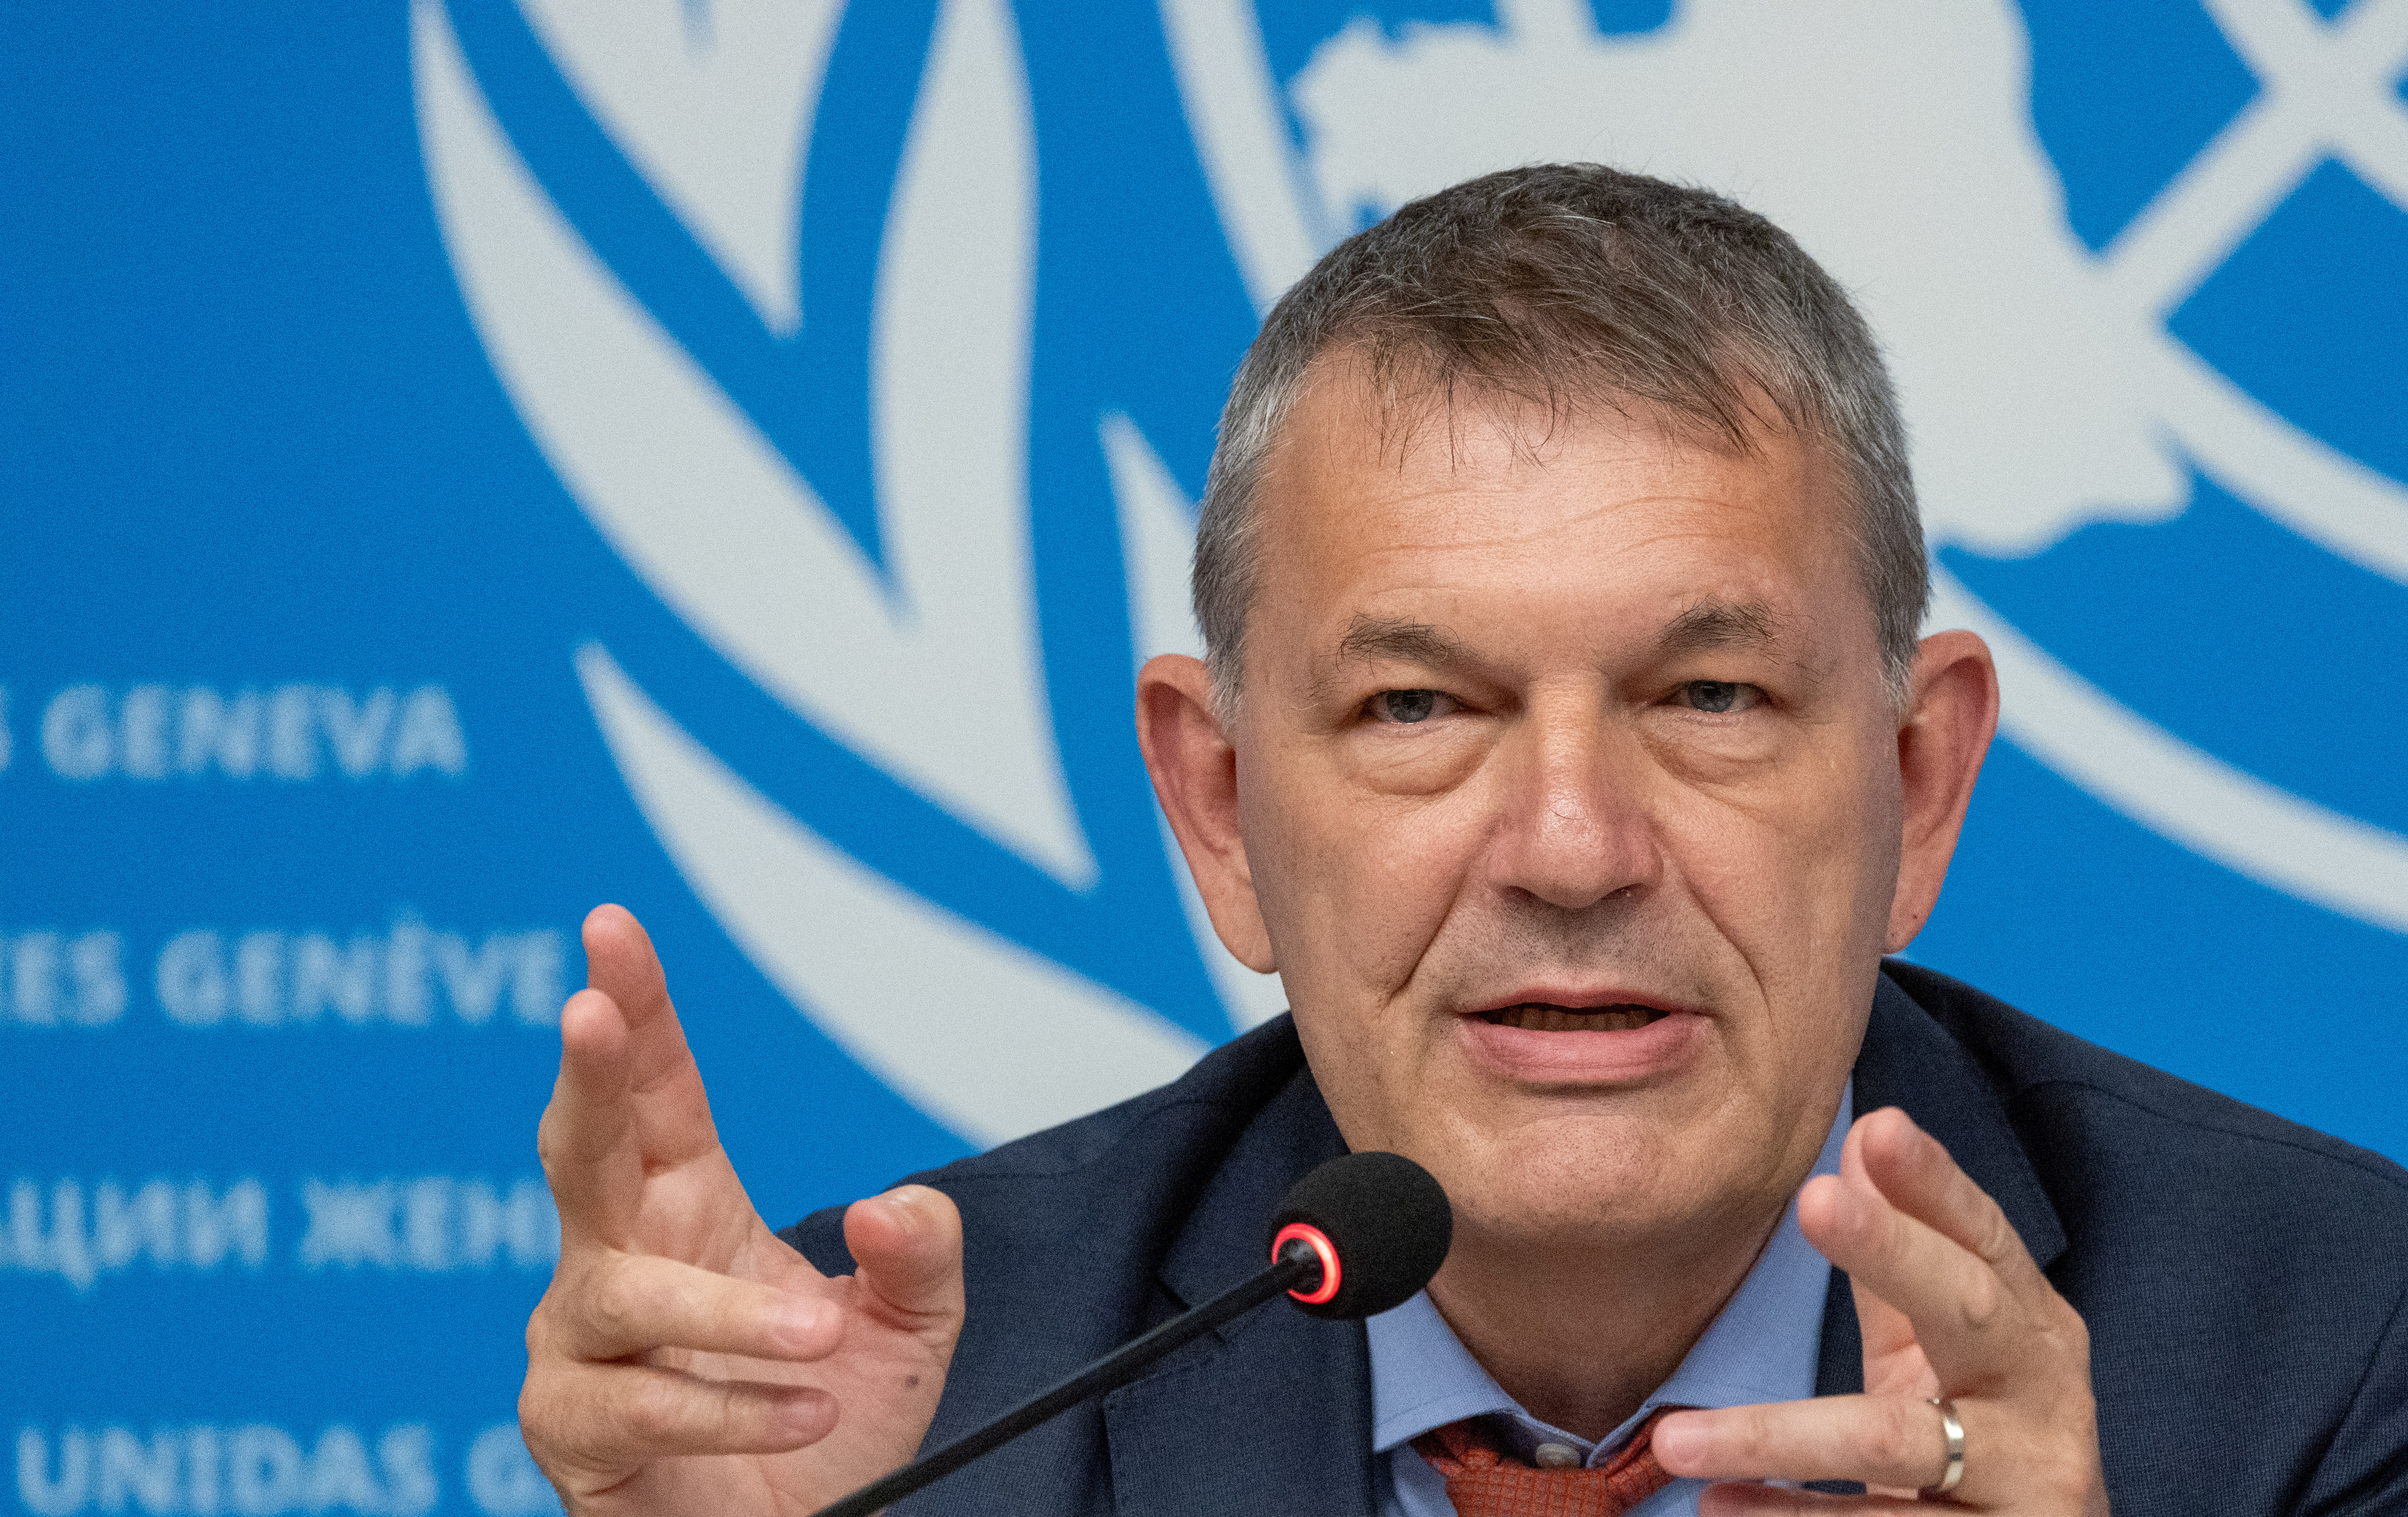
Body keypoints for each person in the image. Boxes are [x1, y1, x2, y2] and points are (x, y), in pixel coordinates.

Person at [514, 166, 2408, 1517]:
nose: (1572, 848)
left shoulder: (2336, 1352)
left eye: (1707, 701)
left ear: (1916, 784)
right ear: (1221, 808)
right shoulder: (909, 1401)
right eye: (1418, 709)